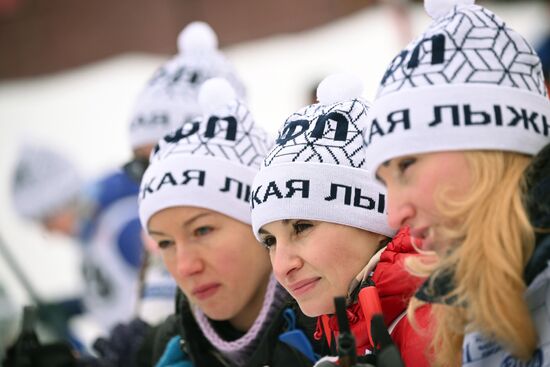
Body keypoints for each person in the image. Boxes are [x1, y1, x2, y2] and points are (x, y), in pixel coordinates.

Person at [363, 0, 550, 365]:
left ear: (493, 147)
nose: (394, 214)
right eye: (385, 181)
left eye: (407, 164)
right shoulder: (464, 308)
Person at [250, 73, 432, 366]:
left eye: (302, 226)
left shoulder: (437, 322)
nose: (282, 267)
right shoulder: (336, 326)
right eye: (269, 241)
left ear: (378, 218)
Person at [137, 77, 320, 367]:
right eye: (165, 243)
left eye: (202, 230)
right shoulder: (164, 348)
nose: (185, 267)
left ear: (264, 224)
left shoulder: (351, 332)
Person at [124, 21, 247, 327]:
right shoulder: (158, 235)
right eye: (141, 166)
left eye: (163, 158)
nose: (152, 180)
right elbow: (149, 330)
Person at [11, 142, 144, 346]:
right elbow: (116, 293)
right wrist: (70, 308)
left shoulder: (123, 228)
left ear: (64, 202)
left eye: (46, 220)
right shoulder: (89, 234)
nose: (47, 231)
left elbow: (162, 297)